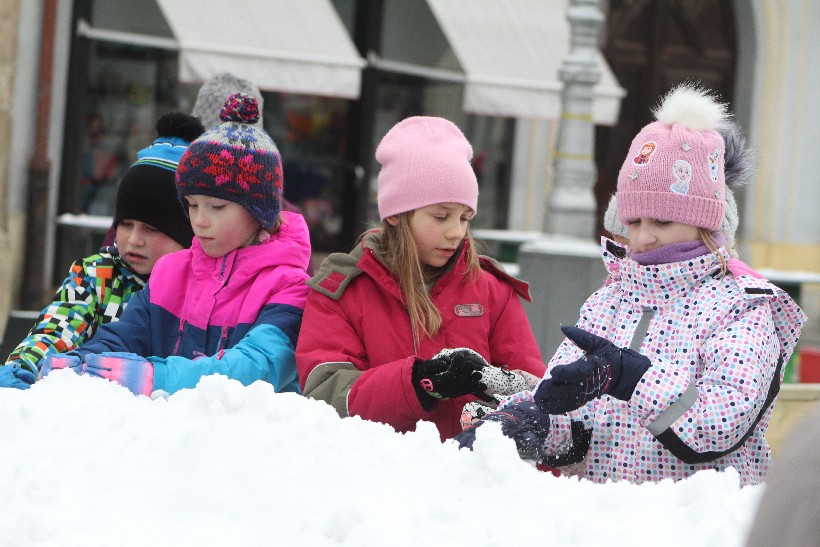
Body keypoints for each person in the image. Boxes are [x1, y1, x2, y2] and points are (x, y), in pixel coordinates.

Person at [457, 84, 806, 485]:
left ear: (705, 222)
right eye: (635, 221)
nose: (643, 238)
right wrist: (531, 420)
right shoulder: (610, 300)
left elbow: (720, 425)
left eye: (662, 221)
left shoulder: (741, 308)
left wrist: (633, 377)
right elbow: (575, 423)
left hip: (696, 522)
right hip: (610, 518)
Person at [37, 93, 310, 397]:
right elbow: (122, 337)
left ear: (259, 212)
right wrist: (81, 365)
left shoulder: (291, 288)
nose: (200, 221)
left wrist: (154, 377)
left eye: (216, 206)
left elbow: (256, 369)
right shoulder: (171, 272)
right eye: (192, 205)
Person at [295, 116, 545, 441]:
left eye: (464, 217)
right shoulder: (342, 291)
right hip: (377, 478)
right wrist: (417, 383)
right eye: (441, 216)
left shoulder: (492, 292)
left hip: (472, 484)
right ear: (396, 214)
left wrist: (503, 395)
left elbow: (537, 400)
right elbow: (324, 394)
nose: (455, 231)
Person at [0, 112, 202, 390]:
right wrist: (22, 366)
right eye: (126, 224)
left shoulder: (201, 287)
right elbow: (58, 327)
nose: (134, 240)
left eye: (151, 229)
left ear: (186, 232)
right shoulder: (97, 275)